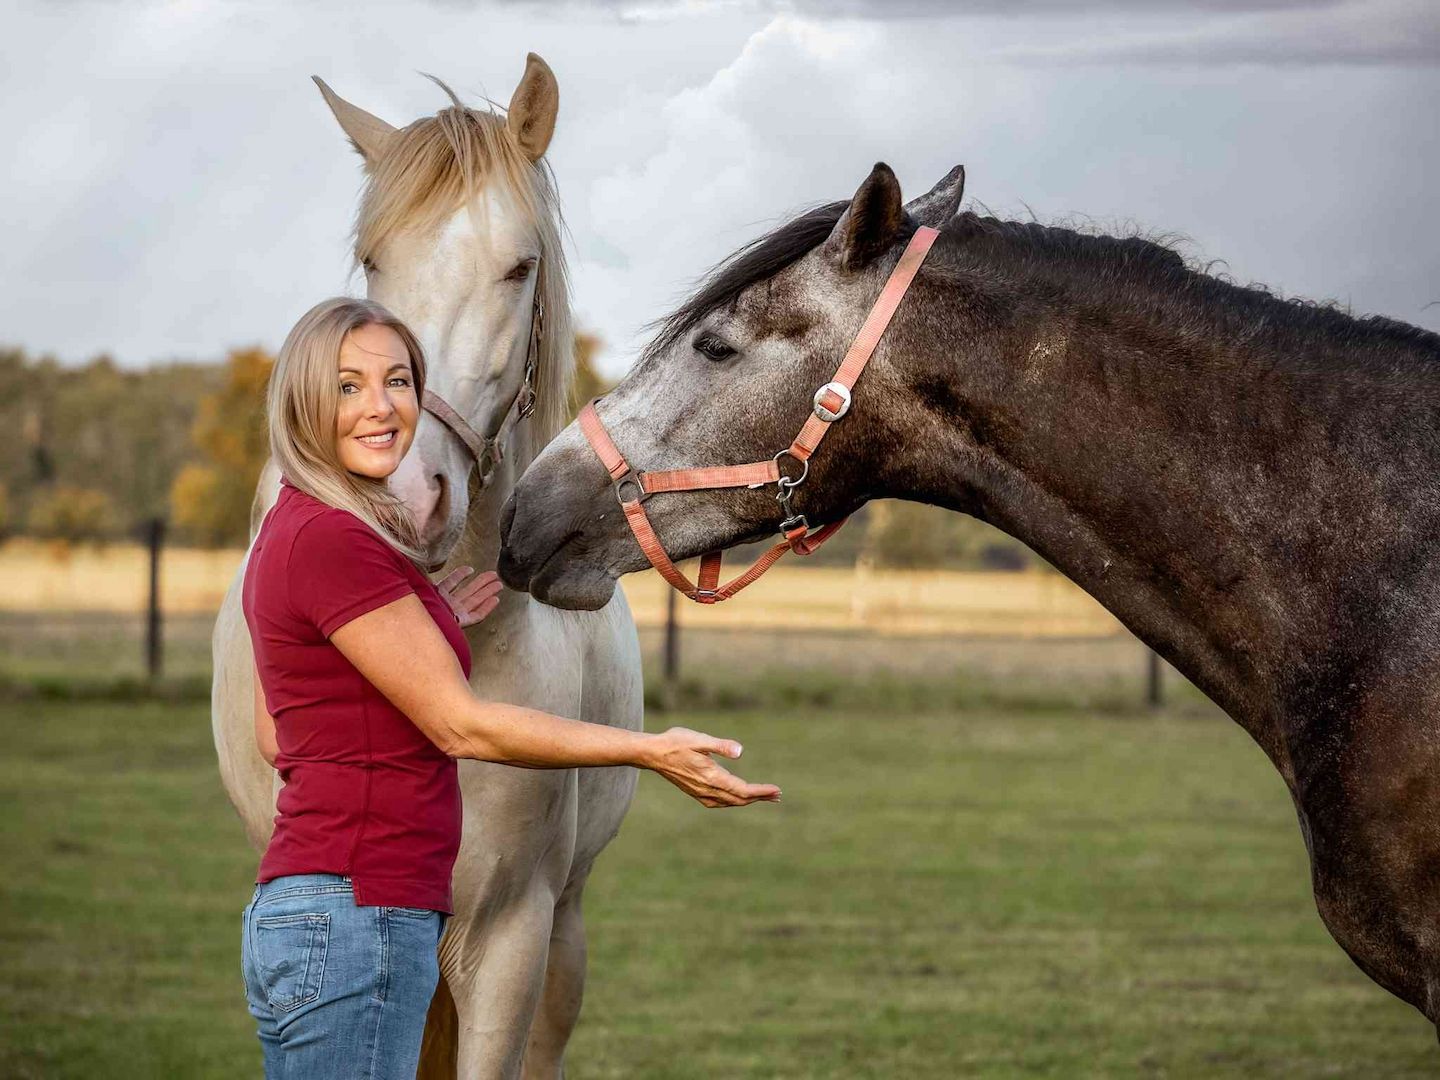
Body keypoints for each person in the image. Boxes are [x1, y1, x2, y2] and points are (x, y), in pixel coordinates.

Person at [238, 296, 779, 1079]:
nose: (382, 407)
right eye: (348, 386)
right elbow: (463, 728)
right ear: (301, 400)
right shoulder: (339, 544)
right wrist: (647, 749)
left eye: (399, 381)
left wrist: (423, 627)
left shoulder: (296, 526)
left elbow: (279, 731)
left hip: (311, 912)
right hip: (359, 916)